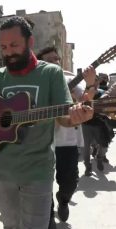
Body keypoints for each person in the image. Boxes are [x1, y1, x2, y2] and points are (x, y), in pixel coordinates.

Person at [0, 16, 93, 229]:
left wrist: (77, 116)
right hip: (2, 172)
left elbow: (64, 116)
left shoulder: (50, 73)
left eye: (14, 45)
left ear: (30, 42)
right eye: (3, 46)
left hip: (37, 172)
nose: (8, 52)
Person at [37, 46, 96, 227]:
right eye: (50, 59)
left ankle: (63, 199)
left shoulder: (70, 79)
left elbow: (87, 102)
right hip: (42, 143)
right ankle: (49, 214)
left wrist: (91, 83)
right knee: (42, 186)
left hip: (68, 141)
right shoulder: (36, 82)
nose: (55, 62)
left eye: (57, 59)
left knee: (69, 182)